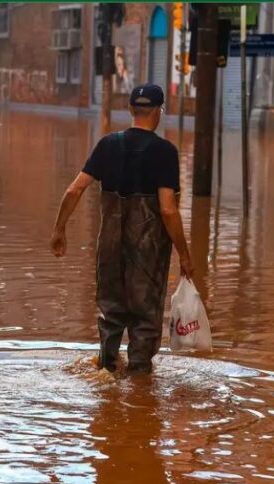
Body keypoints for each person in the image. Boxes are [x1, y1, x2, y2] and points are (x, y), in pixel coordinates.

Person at [49, 84, 192, 373]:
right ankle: (139, 393)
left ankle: (107, 373)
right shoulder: (164, 152)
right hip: (147, 253)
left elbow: (74, 190)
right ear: (159, 112)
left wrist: (59, 230)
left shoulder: (107, 145)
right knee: (144, 320)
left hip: (110, 249)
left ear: (130, 110)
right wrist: (185, 254)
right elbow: (167, 209)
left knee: (111, 315)